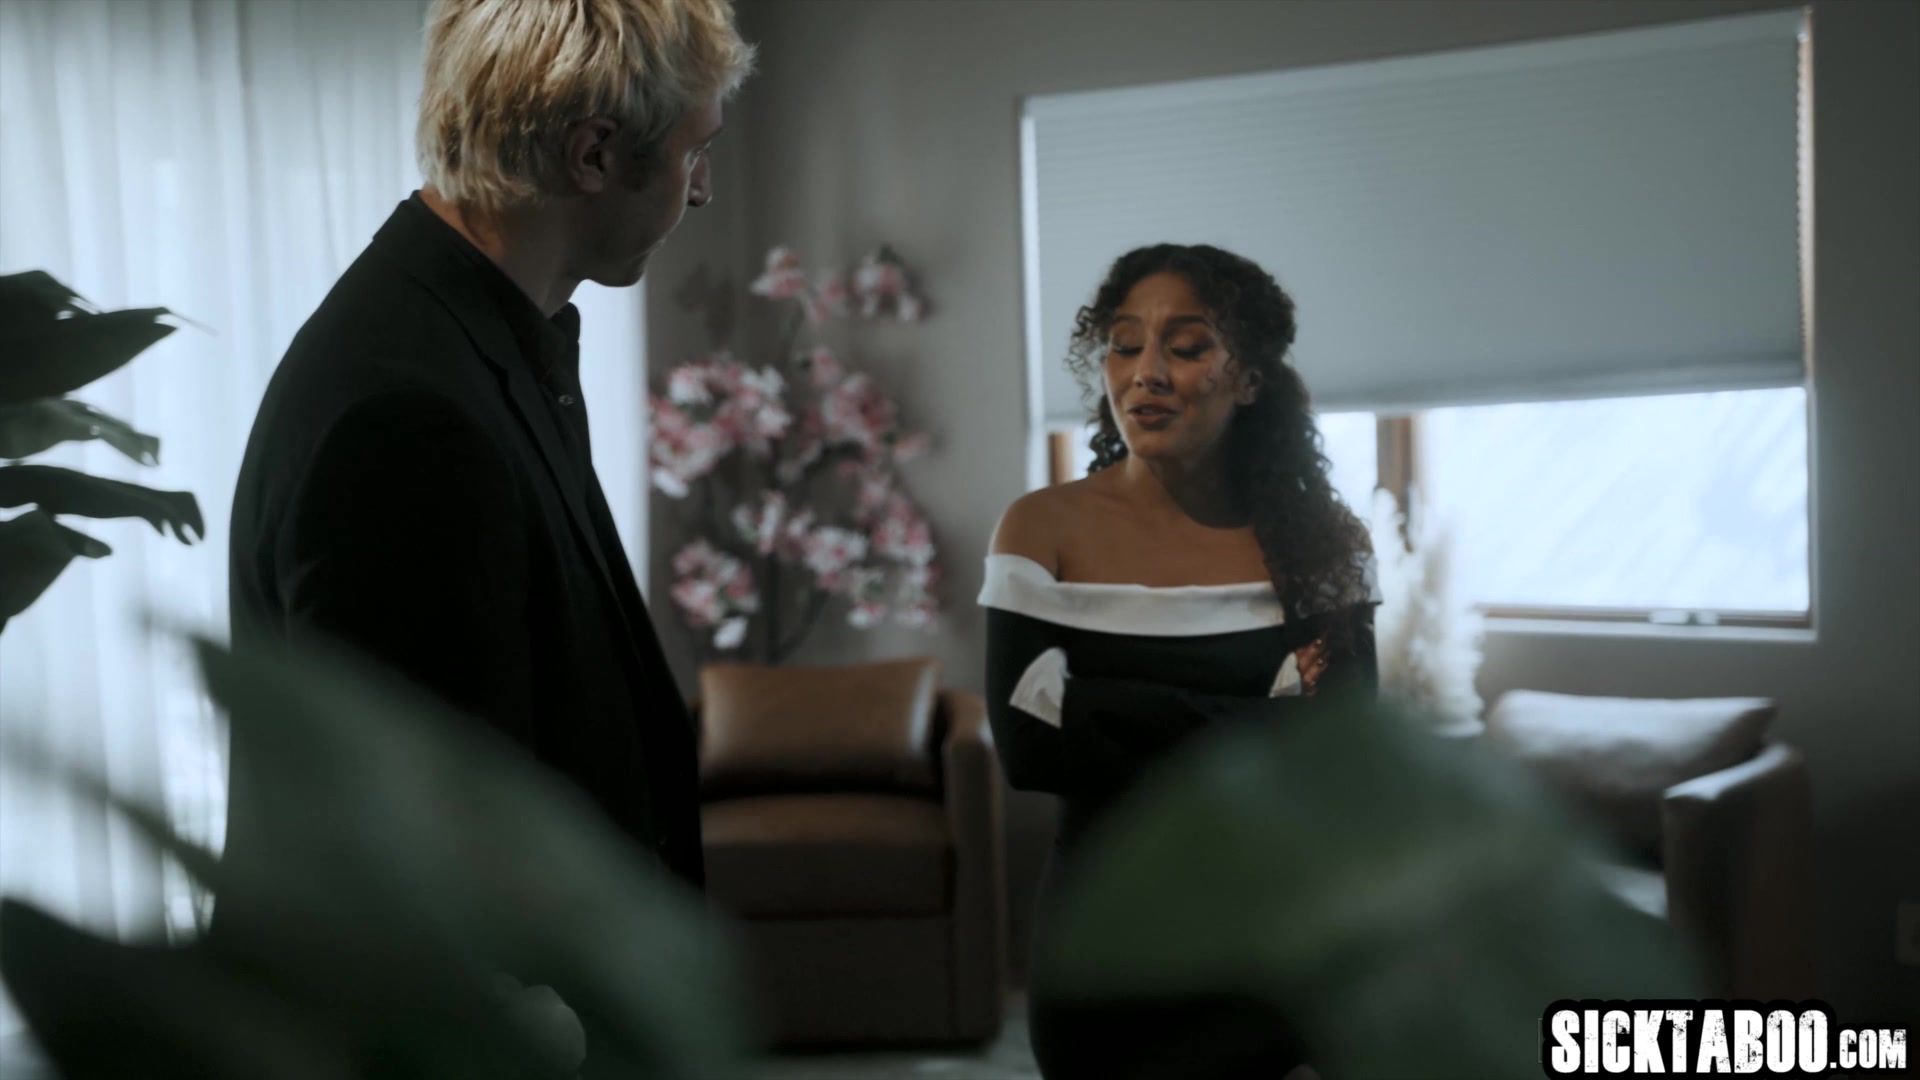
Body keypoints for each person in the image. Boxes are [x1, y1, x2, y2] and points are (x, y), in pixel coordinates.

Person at [228, 0, 754, 890]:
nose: (699, 190)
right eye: (691, 154)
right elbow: (429, 867)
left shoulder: (471, 342)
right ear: (593, 155)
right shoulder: (406, 414)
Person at [981, 244, 1380, 1079]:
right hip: (1102, 953)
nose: (1147, 373)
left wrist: (1104, 703)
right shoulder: (1040, 530)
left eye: (1188, 347)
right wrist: (1255, 723)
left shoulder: (1321, 548)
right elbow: (1030, 750)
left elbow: (1335, 760)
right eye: (1125, 345)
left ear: (1250, 379)